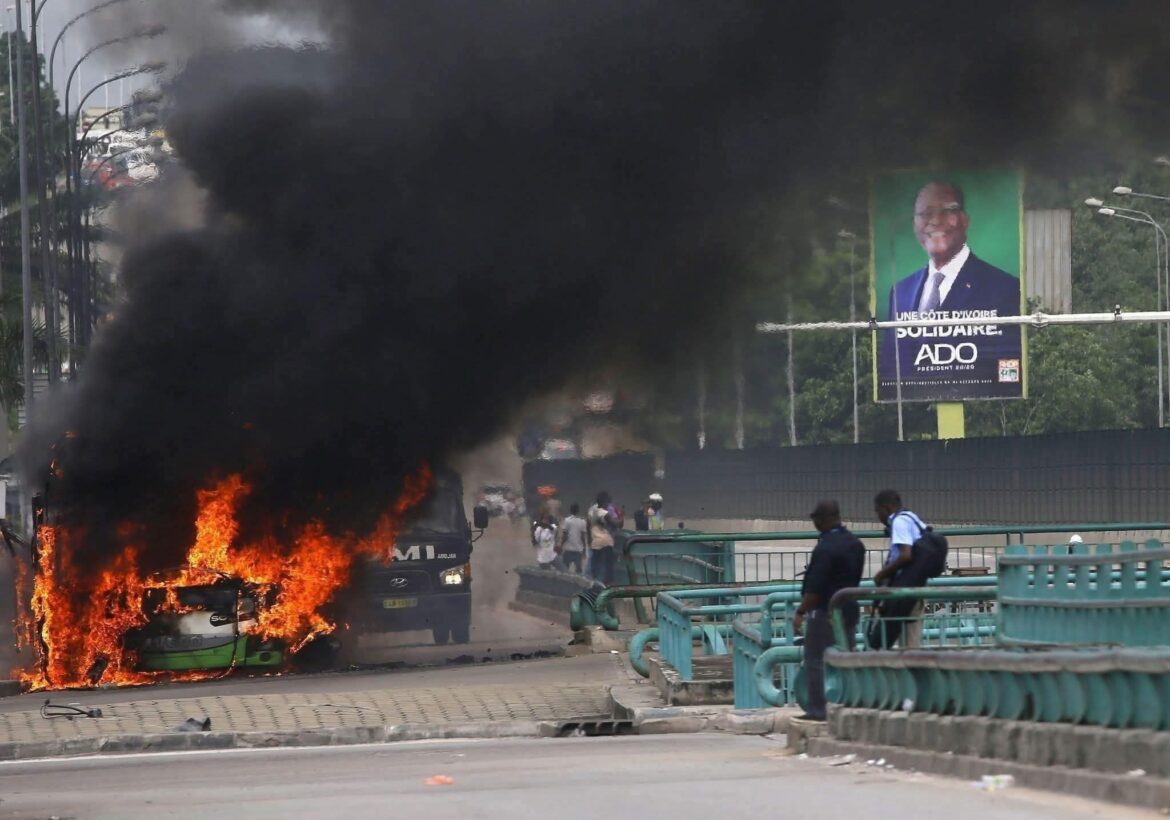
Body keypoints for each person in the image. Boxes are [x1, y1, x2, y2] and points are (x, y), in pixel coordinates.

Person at [880, 180, 1022, 398]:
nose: (935, 221)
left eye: (948, 211)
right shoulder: (900, 291)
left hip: (983, 414)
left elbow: (1008, 371)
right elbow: (892, 369)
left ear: (965, 220)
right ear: (914, 224)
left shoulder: (1003, 287)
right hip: (913, 416)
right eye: (925, 213)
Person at [793, 500, 865, 722]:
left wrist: (801, 612)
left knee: (815, 659)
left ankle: (818, 709)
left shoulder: (825, 548)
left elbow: (815, 588)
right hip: (849, 608)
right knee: (846, 657)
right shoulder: (855, 544)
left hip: (824, 611)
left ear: (823, 519)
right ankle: (852, 704)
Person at [870, 489, 930, 649]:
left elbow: (905, 555)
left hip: (904, 587)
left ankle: (906, 669)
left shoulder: (899, 522)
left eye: (878, 511)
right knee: (910, 638)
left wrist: (881, 574)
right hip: (916, 585)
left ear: (887, 508)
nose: (879, 517)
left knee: (899, 639)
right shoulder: (913, 518)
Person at [587, 491, 621, 585]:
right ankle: (607, 583)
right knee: (608, 564)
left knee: (595, 563)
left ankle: (593, 581)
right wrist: (620, 518)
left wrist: (589, 539)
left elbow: (588, 524)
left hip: (595, 541)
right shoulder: (603, 512)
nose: (608, 505)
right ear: (603, 502)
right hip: (606, 541)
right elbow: (615, 523)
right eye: (607, 503)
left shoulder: (592, 510)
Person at [559, 503, 588, 574]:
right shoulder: (582, 522)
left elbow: (565, 535)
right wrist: (584, 549)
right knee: (579, 571)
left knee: (564, 571)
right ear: (578, 511)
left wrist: (560, 545)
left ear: (570, 511)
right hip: (578, 550)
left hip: (568, 549)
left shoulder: (567, 520)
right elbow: (582, 537)